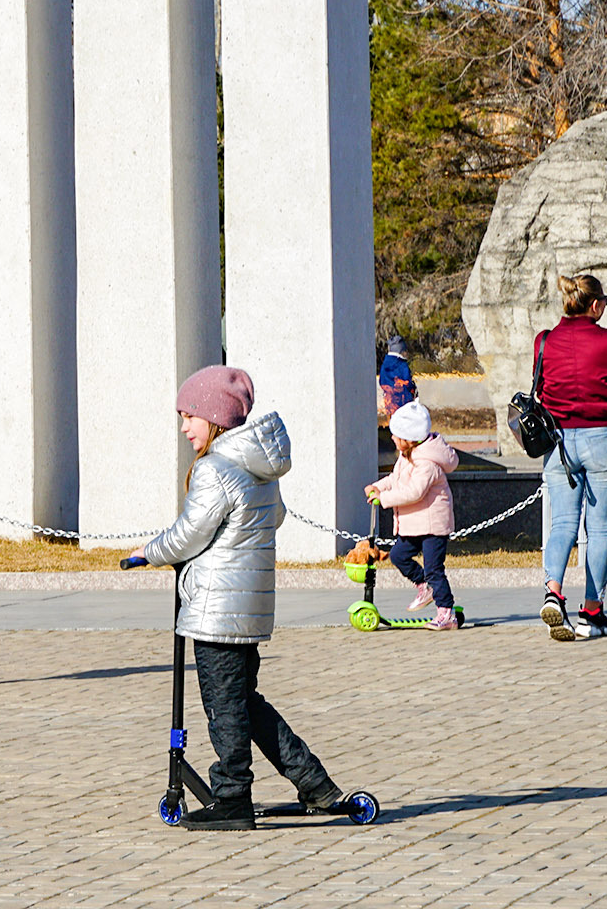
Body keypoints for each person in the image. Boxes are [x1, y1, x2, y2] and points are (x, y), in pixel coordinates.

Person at [131, 365, 354, 831]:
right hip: (247, 608)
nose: (183, 427)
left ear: (213, 416)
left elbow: (189, 534)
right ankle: (314, 783)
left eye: (189, 415)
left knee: (224, 707)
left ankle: (232, 794)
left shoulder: (215, 468)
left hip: (217, 612)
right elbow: (274, 520)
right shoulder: (258, 468)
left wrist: (147, 553)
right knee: (246, 702)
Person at [535, 273, 607, 643]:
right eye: (604, 301)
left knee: (562, 523)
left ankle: (553, 591)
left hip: (558, 438)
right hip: (602, 434)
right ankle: (592, 611)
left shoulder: (545, 340)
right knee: (600, 527)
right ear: (595, 305)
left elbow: (541, 384)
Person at [365, 401, 460, 630]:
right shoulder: (406, 455)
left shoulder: (427, 462)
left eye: (396, 436)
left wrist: (385, 499)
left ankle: (446, 613)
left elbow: (415, 492)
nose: (393, 440)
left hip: (432, 525)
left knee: (434, 568)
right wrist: (377, 487)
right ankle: (424, 585)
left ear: (410, 438)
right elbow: (396, 480)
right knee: (398, 555)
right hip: (414, 523)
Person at [378, 336, 417, 416]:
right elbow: (408, 383)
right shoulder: (402, 365)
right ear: (400, 350)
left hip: (389, 404)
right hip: (403, 403)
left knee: (393, 424)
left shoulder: (385, 365)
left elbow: (382, 382)